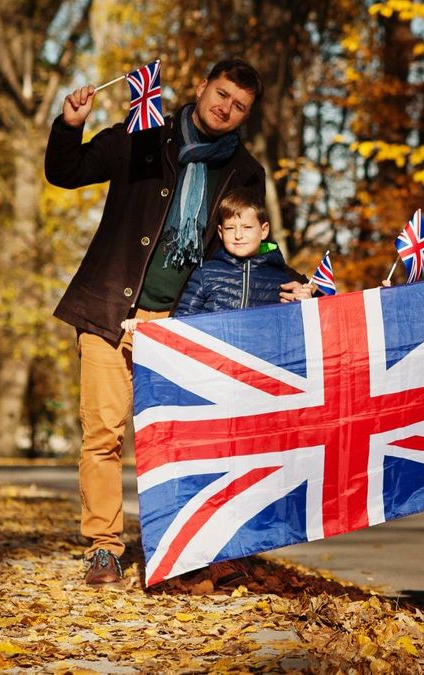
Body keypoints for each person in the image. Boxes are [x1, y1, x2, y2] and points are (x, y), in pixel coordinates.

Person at [45, 59, 304, 586]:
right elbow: (65, 173)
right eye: (222, 94)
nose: (225, 108)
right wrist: (71, 124)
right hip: (108, 311)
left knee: (186, 443)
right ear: (203, 86)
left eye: (239, 106)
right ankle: (103, 548)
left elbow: (248, 239)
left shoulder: (243, 171)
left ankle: (193, 547)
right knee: (102, 435)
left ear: (245, 115)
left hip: (183, 324)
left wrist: (294, 278)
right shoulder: (146, 135)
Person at [122, 188, 312, 327]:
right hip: (217, 371)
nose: (238, 235)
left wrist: (306, 304)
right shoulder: (206, 272)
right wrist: (148, 331)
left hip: (262, 373)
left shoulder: (283, 280)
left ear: (264, 231)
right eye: (230, 228)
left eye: (247, 227)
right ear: (220, 233)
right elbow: (181, 325)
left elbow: (297, 332)